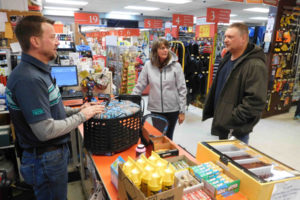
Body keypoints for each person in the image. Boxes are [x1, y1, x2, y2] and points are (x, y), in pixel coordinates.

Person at [5, 16, 104, 200]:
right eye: (52, 37)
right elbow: (46, 130)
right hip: (45, 159)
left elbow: (51, 110)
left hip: (50, 157)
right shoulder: (30, 79)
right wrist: (82, 116)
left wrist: (79, 110)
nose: (58, 41)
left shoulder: (38, 72)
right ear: (35, 41)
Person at [202, 23, 268, 144]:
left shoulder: (254, 65)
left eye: (230, 37)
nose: (226, 40)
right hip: (224, 124)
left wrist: (232, 119)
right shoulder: (227, 58)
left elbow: (256, 101)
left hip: (235, 129)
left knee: (233, 161)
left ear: (243, 39)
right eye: (225, 36)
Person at [132, 38, 187, 140]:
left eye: (167, 47)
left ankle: (167, 155)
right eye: (162, 48)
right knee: (158, 136)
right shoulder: (148, 66)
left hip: (172, 109)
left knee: (168, 138)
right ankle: (158, 155)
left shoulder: (176, 66)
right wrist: (131, 102)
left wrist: (182, 111)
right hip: (155, 109)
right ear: (155, 50)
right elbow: (140, 85)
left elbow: (182, 89)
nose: (165, 50)